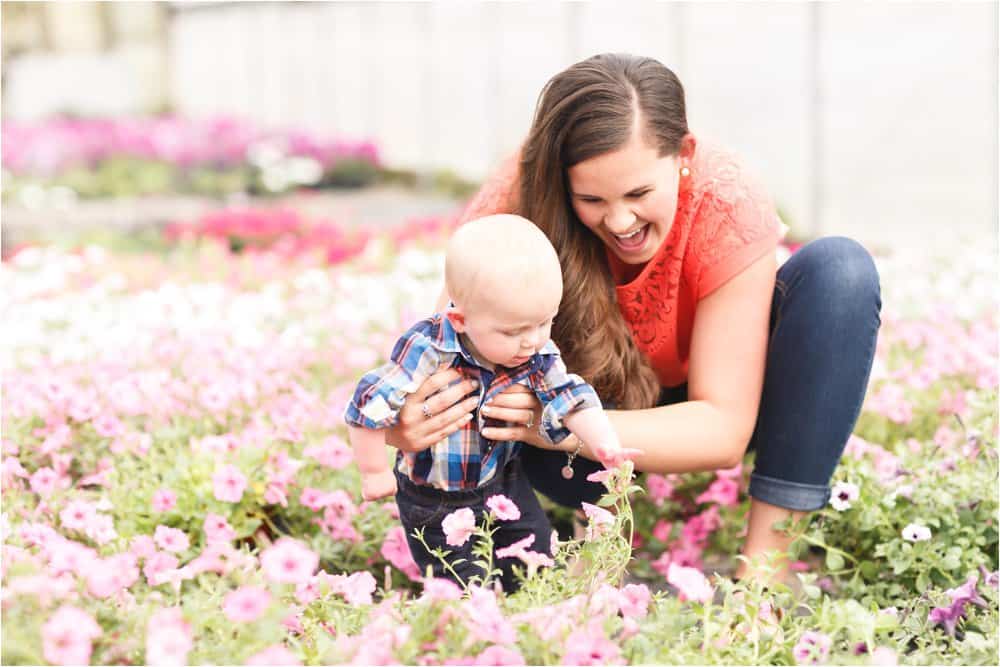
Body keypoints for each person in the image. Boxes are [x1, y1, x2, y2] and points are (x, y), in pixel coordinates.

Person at [383, 53, 882, 585]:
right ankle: (554, 558)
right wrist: (410, 419)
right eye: (591, 199)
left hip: (626, 417)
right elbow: (446, 352)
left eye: (639, 194)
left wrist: (549, 425)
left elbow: (722, 430)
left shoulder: (726, 198)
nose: (619, 221)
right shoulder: (521, 191)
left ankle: (763, 577)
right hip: (572, 422)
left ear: (683, 155)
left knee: (841, 273)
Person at [344, 214, 622, 590]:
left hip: (503, 480)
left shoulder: (536, 349)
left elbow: (569, 394)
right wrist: (373, 471)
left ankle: (532, 614)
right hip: (436, 496)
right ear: (460, 319)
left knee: (534, 555)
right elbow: (368, 401)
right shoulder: (428, 348)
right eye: (513, 331)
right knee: (463, 579)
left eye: (545, 322)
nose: (532, 341)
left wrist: (602, 441)